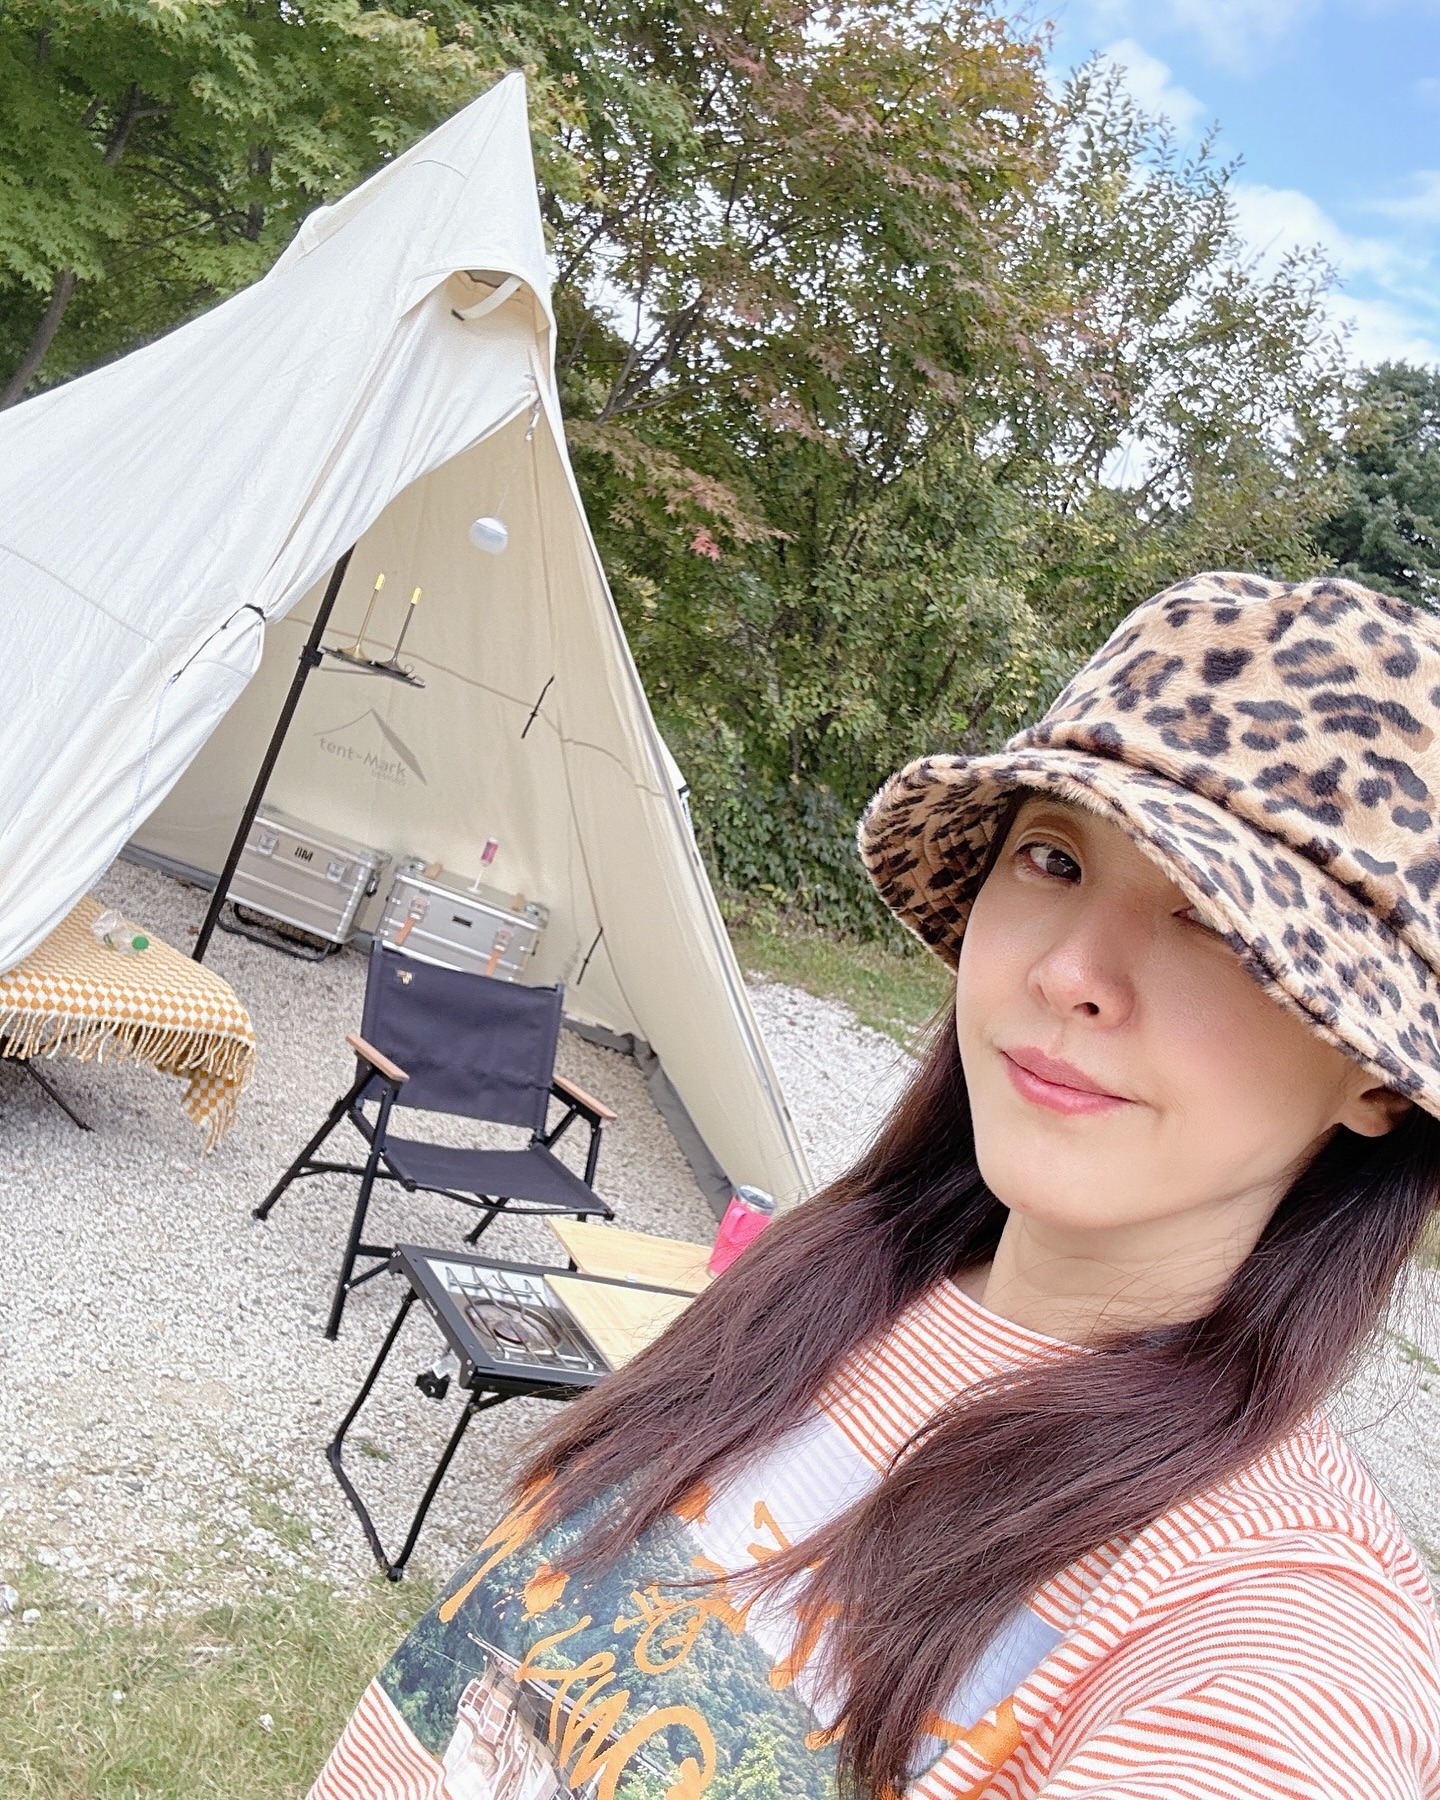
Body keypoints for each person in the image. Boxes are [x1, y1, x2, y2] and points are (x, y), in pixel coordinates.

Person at [311, 572, 1440, 1800]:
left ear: (1378, 1079)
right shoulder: (832, 1281)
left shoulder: (1275, 1644)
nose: (1070, 972)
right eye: (1054, 858)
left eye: (1217, 921)